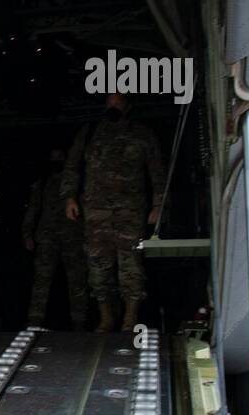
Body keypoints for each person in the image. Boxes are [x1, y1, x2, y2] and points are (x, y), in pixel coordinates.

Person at [61, 93, 165, 332]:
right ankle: (106, 317)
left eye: (118, 103)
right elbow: (72, 167)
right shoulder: (89, 133)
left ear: (128, 106)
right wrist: (69, 198)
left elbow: (157, 171)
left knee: (131, 266)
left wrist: (158, 205)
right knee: (98, 267)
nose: (113, 107)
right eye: (109, 103)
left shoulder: (142, 134)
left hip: (130, 212)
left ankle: (130, 319)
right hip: (96, 214)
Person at [23, 148, 88, 329]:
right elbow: (33, 208)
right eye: (54, 157)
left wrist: (87, 236)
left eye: (60, 156)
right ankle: (35, 320)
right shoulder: (43, 182)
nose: (56, 160)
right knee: (41, 280)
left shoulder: (76, 183)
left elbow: (86, 208)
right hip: (47, 236)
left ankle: (79, 321)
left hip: (72, 235)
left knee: (77, 281)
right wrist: (27, 233)